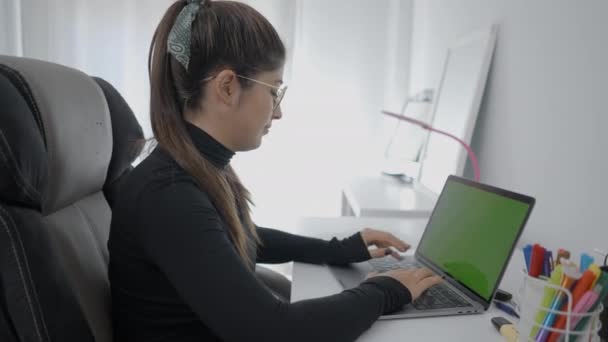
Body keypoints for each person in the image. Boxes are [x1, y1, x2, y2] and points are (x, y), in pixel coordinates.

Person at [108, 1, 443, 341]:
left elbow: (232, 240)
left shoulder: (191, 169)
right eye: (273, 90)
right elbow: (273, 331)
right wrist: (385, 291)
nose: (278, 112)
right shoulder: (169, 194)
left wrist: (339, 250)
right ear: (227, 87)